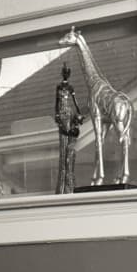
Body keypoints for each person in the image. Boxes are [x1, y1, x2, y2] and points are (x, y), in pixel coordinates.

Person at [54, 64, 84, 194]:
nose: (66, 74)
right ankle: (62, 186)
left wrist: (79, 112)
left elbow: (75, 101)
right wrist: (56, 115)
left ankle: (69, 185)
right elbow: (56, 102)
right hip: (61, 115)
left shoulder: (70, 87)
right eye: (65, 72)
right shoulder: (59, 87)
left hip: (68, 114)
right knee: (63, 146)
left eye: (67, 72)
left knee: (69, 149)